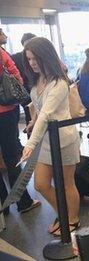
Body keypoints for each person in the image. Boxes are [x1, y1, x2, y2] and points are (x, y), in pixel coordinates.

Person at [22, 37, 80, 236]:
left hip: (63, 139)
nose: (32, 63)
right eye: (29, 59)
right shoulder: (37, 79)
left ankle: (72, 219)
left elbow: (47, 113)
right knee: (41, 184)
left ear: (45, 56)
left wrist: (30, 142)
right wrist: (32, 123)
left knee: (66, 183)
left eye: (35, 58)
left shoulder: (59, 83)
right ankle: (62, 214)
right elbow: (40, 110)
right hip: (46, 141)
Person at [0, 29, 40, 217]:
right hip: (5, 112)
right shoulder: (2, 53)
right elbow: (17, 79)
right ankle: (23, 201)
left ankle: (3, 206)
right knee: (12, 158)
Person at [11, 33, 36, 127]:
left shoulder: (41, 56)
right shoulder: (15, 57)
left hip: (39, 88)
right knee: (30, 117)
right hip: (25, 93)